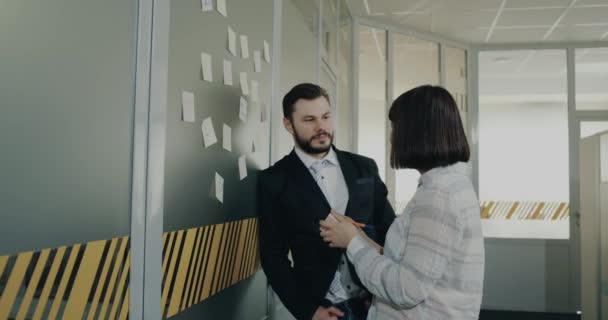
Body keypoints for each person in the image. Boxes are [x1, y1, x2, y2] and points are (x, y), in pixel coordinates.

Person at [320, 85, 485, 320]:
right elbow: (409, 262)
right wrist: (358, 234)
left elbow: (406, 289)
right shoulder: (448, 185)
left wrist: (352, 243)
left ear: (416, 132)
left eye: (395, 127)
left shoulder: (438, 195)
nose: (391, 137)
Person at [258, 83, 396, 320]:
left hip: (379, 301)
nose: (321, 127)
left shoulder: (365, 167)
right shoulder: (274, 180)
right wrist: (309, 311)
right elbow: (272, 256)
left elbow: (390, 229)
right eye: (309, 119)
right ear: (288, 124)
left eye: (326, 117)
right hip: (324, 308)